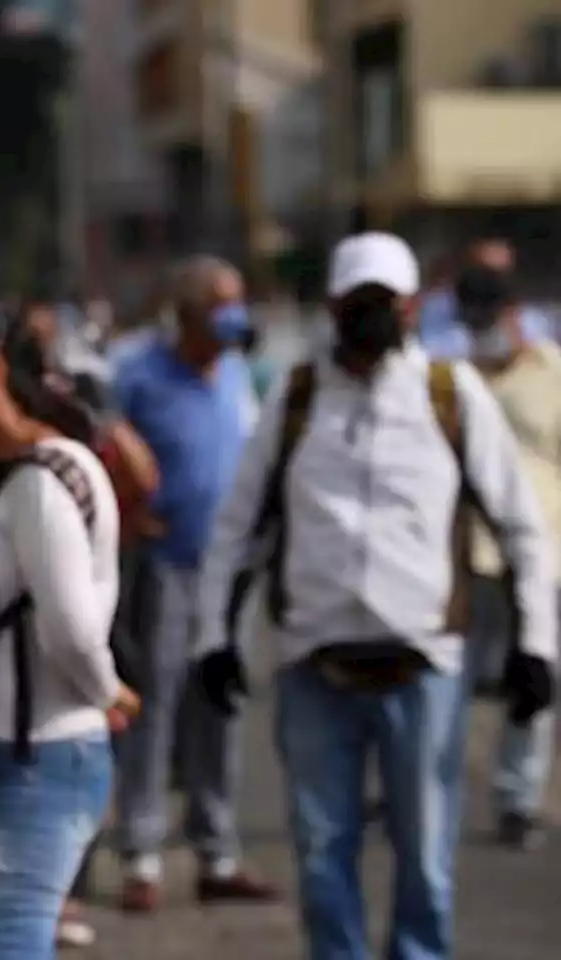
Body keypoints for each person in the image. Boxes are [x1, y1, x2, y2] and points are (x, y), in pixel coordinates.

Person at [195, 232, 556, 960]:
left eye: (384, 302)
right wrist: (215, 639)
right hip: (313, 662)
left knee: (425, 856)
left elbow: (521, 527)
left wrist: (536, 646)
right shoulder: (296, 398)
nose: (371, 316)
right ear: (333, 306)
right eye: (358, 302)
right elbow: (235, 530)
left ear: (413, 307)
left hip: (424, 664)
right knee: (323, 851)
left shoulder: (452, 397)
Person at [0, 304, 139, 958]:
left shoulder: (44, 483)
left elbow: (70, 629)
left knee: (5, 945)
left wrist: (107, 691)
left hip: (35, 758)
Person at [111, 254, 276, 913]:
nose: (234, 316)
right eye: (219, 304)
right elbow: (102, 448)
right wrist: (129, 509)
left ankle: (217, 849)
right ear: (185, 314)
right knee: (157, 699)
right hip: (165, 564)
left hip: (231, 571)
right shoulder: (140, 376)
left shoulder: (238, 373)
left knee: (221, 703)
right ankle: (142, 852)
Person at [455, 262, 561, 849]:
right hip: (470, 558)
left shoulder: (553, 375)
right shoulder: (458, 382)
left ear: (515, 315)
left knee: (534, 681)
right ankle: (424, 788)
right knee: (451, 682)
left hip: (541, 556)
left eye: (490, 319)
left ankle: (518, 800)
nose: (482, 331)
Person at [418, 238, 552, 359]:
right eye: (482, 272)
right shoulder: (437, 310)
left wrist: (515, 334)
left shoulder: (532, 322)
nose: (486, 284)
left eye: (496, 276)